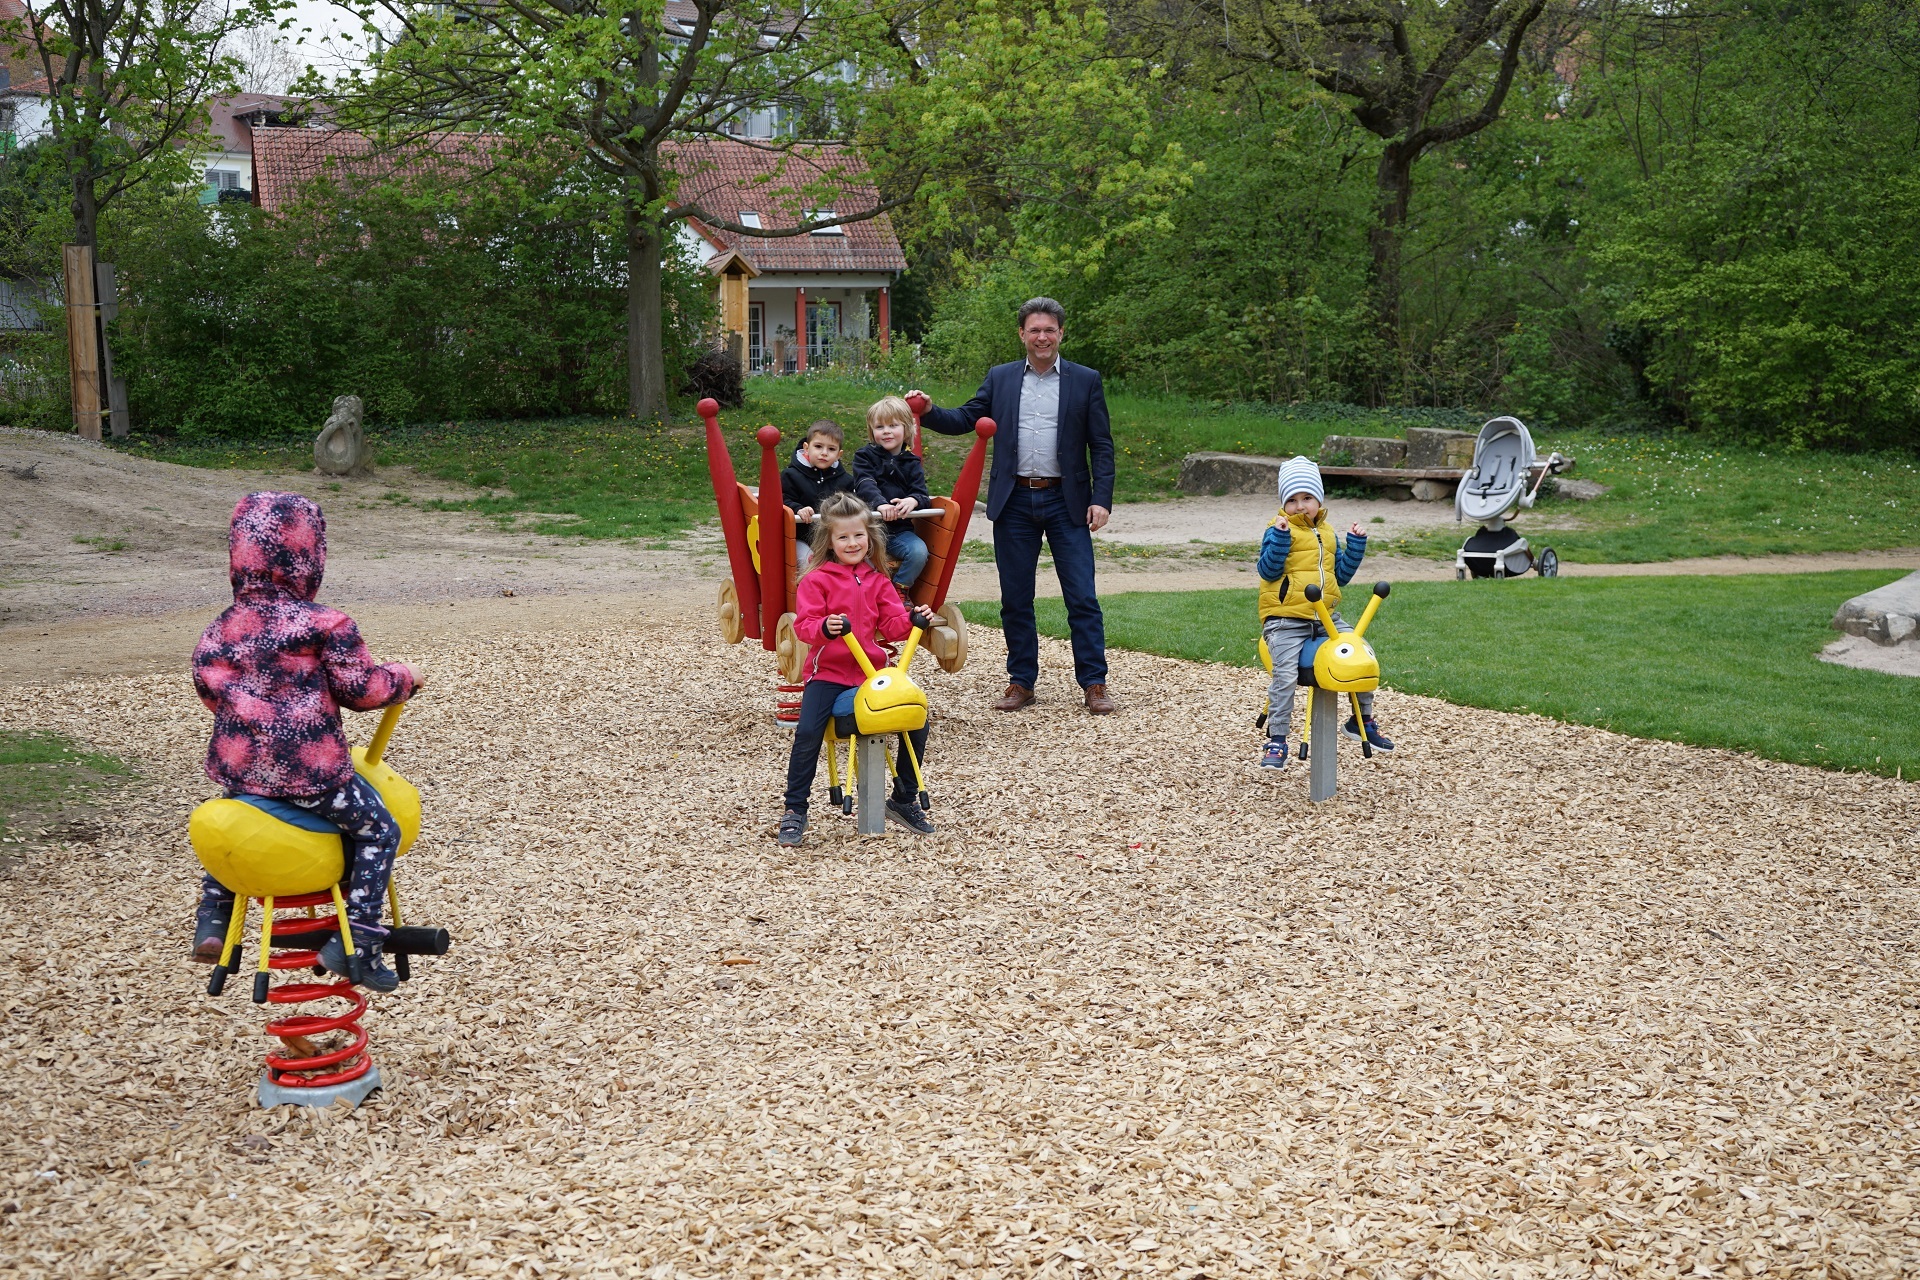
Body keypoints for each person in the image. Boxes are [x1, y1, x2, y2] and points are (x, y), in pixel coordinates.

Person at [189, 492, 424, 991]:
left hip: (243, 770)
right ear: (310, 557)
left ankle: (212, 916)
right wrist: (403, 676)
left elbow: (209, 688)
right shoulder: (324, 624)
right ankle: (358, 942)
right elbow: (363, 691)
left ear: (239, 556)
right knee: (379, 829)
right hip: (311, 775)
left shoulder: (221, 628)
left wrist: (252, 726)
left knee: (237, 810)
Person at [912, 297, 1117, 714]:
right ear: (1022, 334)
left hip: (1068, 502)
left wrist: (1101, 500)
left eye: (1050, 330)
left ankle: (1094, 683)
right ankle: (1022, 681)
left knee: (1081, 597)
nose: (1042, 337)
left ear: (1061, 333)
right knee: (1016, 598)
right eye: (1034, 330)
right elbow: (964, 418)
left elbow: (1102, 446)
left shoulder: (1085, 379)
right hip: (1015, 501)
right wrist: (930, 410)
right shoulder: (1001, 378)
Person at [779, 492, 939, 847]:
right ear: (830, 541)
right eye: (843, 537)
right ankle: (795, 809)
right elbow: (804, 626)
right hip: (829, 676)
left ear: (870, 537)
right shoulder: (817, 580)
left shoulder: (878, 579)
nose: (852, 543)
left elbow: (894, 624)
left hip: (871, 674)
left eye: (858, 536)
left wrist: (914, 619)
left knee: (917, 716)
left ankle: (902, 799)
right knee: (807, 732)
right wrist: (825, 627)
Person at [1256, 457, 1394, 770]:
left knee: (1361, 653)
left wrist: (1356, 545)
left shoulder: (1328, 533)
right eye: (1291, 500)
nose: (1299, 506)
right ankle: (1276, 739)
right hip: (1285, 620)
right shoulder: (1277, 530)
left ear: (1319, 500)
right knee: (1286, 674)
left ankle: (1362, 722)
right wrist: (1279, 539)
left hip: (1324, 618)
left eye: (1306, 498)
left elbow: (1339, 577)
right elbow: (1266, 569)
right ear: (1283, 503)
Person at [852, 395, 933, 595]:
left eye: (893, 425)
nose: (886, 431)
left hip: (899, 531)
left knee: (919, 551)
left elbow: (922, 494)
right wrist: (880, 504)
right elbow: (865, 483)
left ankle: (899, 590)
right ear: (872, 431)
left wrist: (912, 500)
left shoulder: (912, 462)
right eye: (880, 427)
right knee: (854, 557)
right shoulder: (864, 456)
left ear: (906, 429)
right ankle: (863, 595)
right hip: (869, 530)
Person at [781, 419, 857, 569]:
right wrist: (798, 509)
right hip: (800, 537)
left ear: (839, 454)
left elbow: (852, 507)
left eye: (831, 449)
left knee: (856, 560)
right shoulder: (790, 475)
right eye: (818, 446)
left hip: (834, 538)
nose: (824, 453)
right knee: (808, 562)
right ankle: (809, 591)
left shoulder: (846, 481)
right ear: (806, 447)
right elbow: (783, 499)